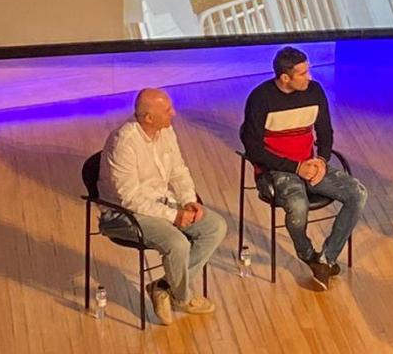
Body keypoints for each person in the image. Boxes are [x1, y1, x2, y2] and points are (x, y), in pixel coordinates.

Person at [240, 46, 368, 290]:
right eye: (302, 73)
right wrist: (295, 168)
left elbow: (325, 132)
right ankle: (308, 254)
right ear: (285, 78)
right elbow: (253, 149)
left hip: (310, 164)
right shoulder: (260, 98)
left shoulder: (314, 91)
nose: (309, 77)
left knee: (357, 193)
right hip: (277, 169)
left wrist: (321, 160)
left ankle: (326, 259)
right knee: (298, 207)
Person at [98, 88, 226, 322]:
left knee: (215, 226)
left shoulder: (166, 131)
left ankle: (163, 287)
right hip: (124, 214)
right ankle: (183, 297)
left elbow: (178, 170)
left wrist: (188, 200)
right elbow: (131, 198)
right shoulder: (124, 142)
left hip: (161, 203)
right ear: (148, 118)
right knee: (177, 243)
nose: (174, 114)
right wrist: (174, 216)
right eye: (167, 111)